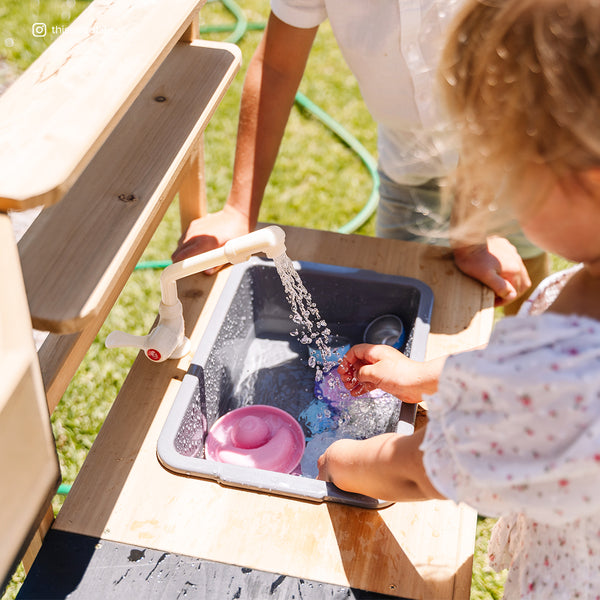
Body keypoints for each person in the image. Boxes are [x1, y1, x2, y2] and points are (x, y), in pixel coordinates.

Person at [317, 0, 600, 597]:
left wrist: (339, 459)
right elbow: (514, 376)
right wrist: (419, 375)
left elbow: (420, 471)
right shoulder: (587, 290)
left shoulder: (568, 375)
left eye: (505, 163)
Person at [172, 0, 548, 313]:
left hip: (507, 153)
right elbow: (276, 67)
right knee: (405, 309)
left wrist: (471, 238)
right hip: (410, 165)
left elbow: (498, 83)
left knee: (527, 298)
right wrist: (239, 211)